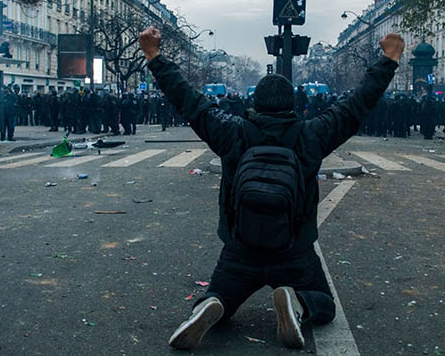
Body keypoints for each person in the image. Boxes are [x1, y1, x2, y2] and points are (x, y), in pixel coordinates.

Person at [138, 25, 404, 350]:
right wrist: (388, 59)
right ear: (292, 104)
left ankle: (210, 304)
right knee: (323, 302)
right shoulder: (311, 135)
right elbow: (356, 105)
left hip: (240, 249)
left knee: (220, 293)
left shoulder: (232, 132)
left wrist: (154, 55)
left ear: (256, 103)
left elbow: (189, 101)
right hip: (294, 250)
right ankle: (298, 304)